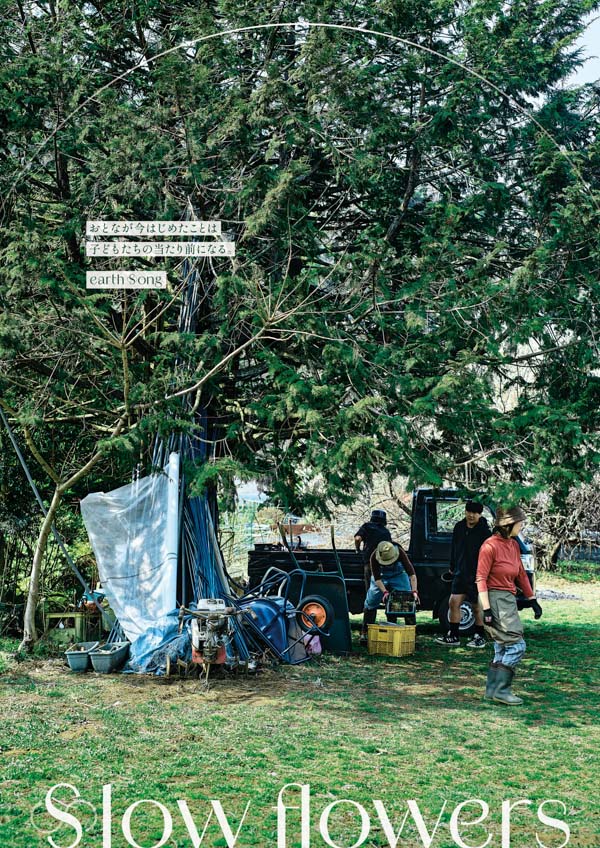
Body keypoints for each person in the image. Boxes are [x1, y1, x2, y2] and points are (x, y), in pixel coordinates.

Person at [476, 506, 542, 705]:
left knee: (502, 646)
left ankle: (492, 690)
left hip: (508, 599)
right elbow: (480, 578)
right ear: (508, 525)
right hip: (494, 598)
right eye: (519, 524)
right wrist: (486, 609)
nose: (521, 527)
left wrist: (532, 600)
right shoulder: (489, 546)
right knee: (516, 645)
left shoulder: (512, 544)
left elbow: (521, 574)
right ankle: (502, 690)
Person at [435, 501, 491, 648]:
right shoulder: (459, 527)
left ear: (480, 514)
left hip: (477, 574)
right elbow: (454, 548)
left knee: (476, 606)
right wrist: (452, 566)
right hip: (460, 572)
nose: (471, 515)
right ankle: (453, 635)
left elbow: (489, 555)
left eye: (475, 513)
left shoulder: (484, 531)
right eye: (469, 512)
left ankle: (479, 636)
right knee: (453, 602)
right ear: (465, 511)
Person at [359, 540, 419, 646]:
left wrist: (414, 592)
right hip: (381, 578)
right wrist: (385, 592)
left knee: (407, 601)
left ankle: (412, 634)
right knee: (371, 601)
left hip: (398, 576)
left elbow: (412, 574)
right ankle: (365, 632)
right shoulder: (374, 557)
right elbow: (377, 579)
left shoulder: (400, 552)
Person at [355, 509, 392, 591]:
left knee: (370, 589)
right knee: (381, 590)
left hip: (369, 563)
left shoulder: (367, 527)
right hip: (382, 565)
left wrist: (357, 549)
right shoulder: (386, 532)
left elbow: (357, 539)